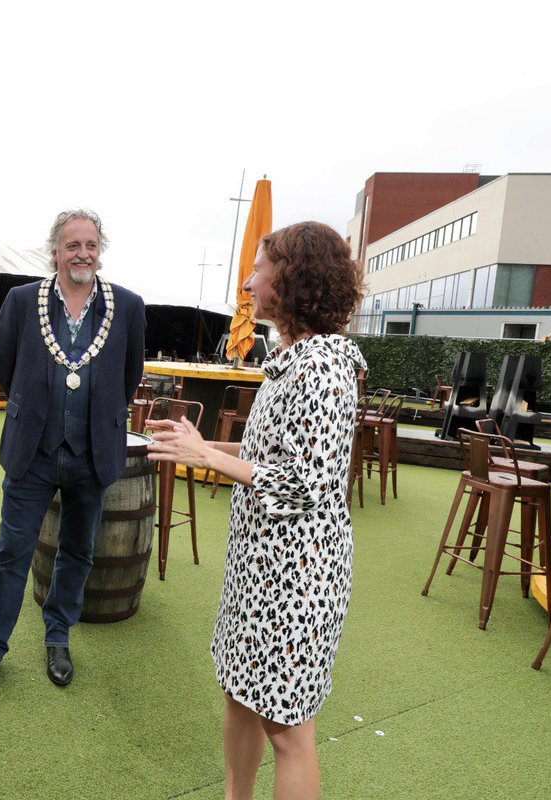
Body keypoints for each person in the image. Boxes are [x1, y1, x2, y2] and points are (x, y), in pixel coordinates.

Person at [147, 221, 365, 800]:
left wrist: (205, 457)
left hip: (298, 579)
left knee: (288, 731)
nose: (248, 282)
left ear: (293, 281)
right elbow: (274, 453)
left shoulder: (323, 367)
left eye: (259, 269)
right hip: (260, 569)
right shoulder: (293, 360)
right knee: (241, 695)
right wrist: (205, 445)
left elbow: (308, 481)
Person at [0, 209, 146, 700]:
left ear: (99, 251)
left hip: (93, 454)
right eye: (73, 245)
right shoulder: (22, 302)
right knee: (11, 551)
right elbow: (4, 366)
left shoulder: (127, 306)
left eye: (90, 245)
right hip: (35, 451)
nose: (83, 253)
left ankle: (57, 638)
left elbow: (129, 378)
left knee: (78, 551)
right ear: (56, 252)